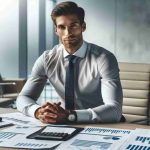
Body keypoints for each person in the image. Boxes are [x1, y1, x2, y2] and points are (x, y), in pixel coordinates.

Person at [16, 1, 123, 124]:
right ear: (56, 30)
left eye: (73, 25)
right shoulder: (47, 59)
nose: (68, 33)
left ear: (83, 26)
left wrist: (70, 116)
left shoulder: (104, 59)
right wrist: (38, 111)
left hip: (101, 124)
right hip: (62, 124)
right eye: (62, 27)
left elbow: (114, 110)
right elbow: (23, 98)